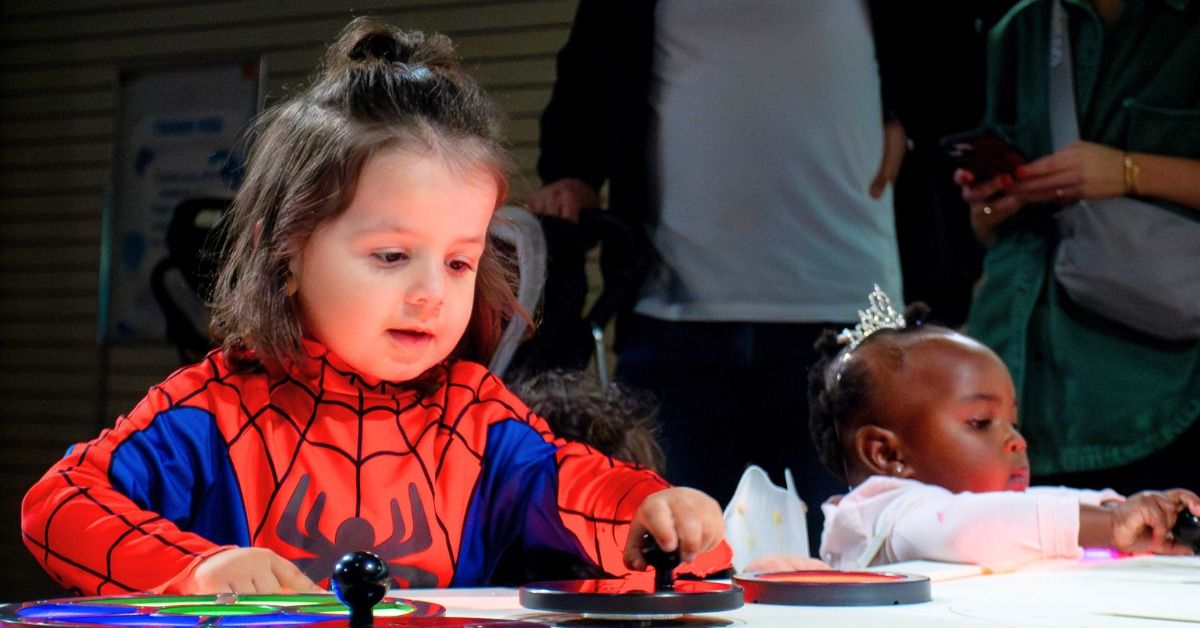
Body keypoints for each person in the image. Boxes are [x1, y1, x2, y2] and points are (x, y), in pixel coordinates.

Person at [20, 17, 731, 596]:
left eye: (459, 262)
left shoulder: (478, 420)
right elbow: (57, 506)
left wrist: (652, 511)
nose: (431, 292)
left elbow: (582, 489)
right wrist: (193, 567)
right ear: (287, 250)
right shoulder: (209, 413)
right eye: (392, 256)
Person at [527, 0, 906, 552]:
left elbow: (946, 64)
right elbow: (585, 77)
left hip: (851, 317)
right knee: (666, 562)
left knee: (854, 564)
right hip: (671, 314)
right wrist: (571, 174)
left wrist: (908, 116)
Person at [955, 0, 1200, 497]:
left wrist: (1129, 171)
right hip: (1011, 371)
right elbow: (986, 232)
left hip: (1152, 383)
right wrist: (991, 209)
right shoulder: (1020, 28)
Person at [808, 289, 1200, 571]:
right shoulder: (884, 513)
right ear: (887, 454)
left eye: (1013, 422)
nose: (1017, 440)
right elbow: (971, 524)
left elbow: (1044, 501)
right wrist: (1112, 526)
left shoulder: (987, 505)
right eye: (981, 422)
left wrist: (1135, 513)